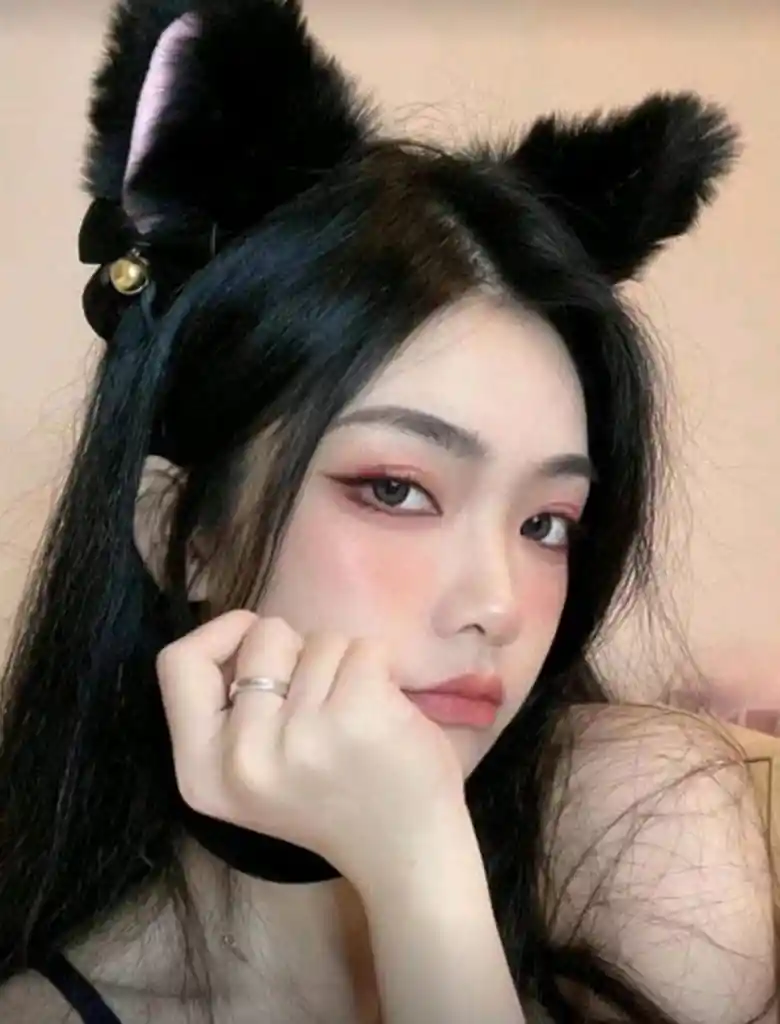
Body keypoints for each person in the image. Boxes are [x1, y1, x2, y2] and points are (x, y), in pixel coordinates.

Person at [0, 1, 775, 1022]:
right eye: (397, 490)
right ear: (183, 535)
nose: (497, 604)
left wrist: (423, 878)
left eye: (547, 523)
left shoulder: (638, 828)